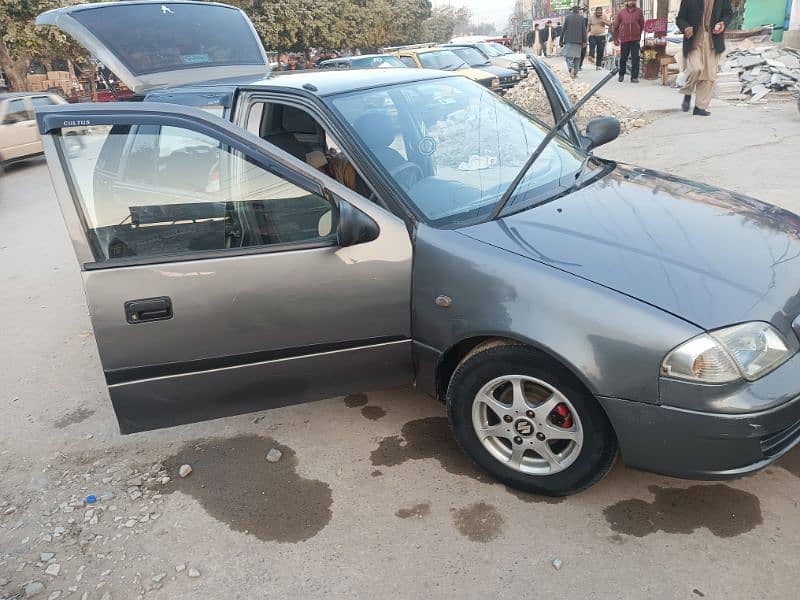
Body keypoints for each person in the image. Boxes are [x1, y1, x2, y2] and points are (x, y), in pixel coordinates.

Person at [676, 0, 733, 116]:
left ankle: (699, 107)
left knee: (708, 75)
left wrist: (723, 23)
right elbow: (680, 18)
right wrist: (686, 27)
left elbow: (728, 14)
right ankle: (688, 92)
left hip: (713, 39)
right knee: (695, 68)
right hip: (694, 39)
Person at [613, 0, 645, 83]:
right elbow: (615, 26)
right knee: (623, 58)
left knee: (636, 58)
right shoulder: (621, 13)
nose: (631, 2)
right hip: (624, 39)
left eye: (633, 0)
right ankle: (621, 74)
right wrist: (615, 39)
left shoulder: (639, 11)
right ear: (627, 2)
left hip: (635, 39)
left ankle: (634, 77)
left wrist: (638, 34)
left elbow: (642, 24)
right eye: (629, 0)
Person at [560, 6, 587, 79]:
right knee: (577, 57)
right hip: (578, 41)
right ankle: (575, 72)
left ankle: (571, 68)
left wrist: (561, 40)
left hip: (569, 40)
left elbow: (563, 30)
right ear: (578, 11)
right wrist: (585, 41)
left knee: (569, 56)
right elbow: (584, 31)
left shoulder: (568, 18)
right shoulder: (581, 18)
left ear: (572, 11)